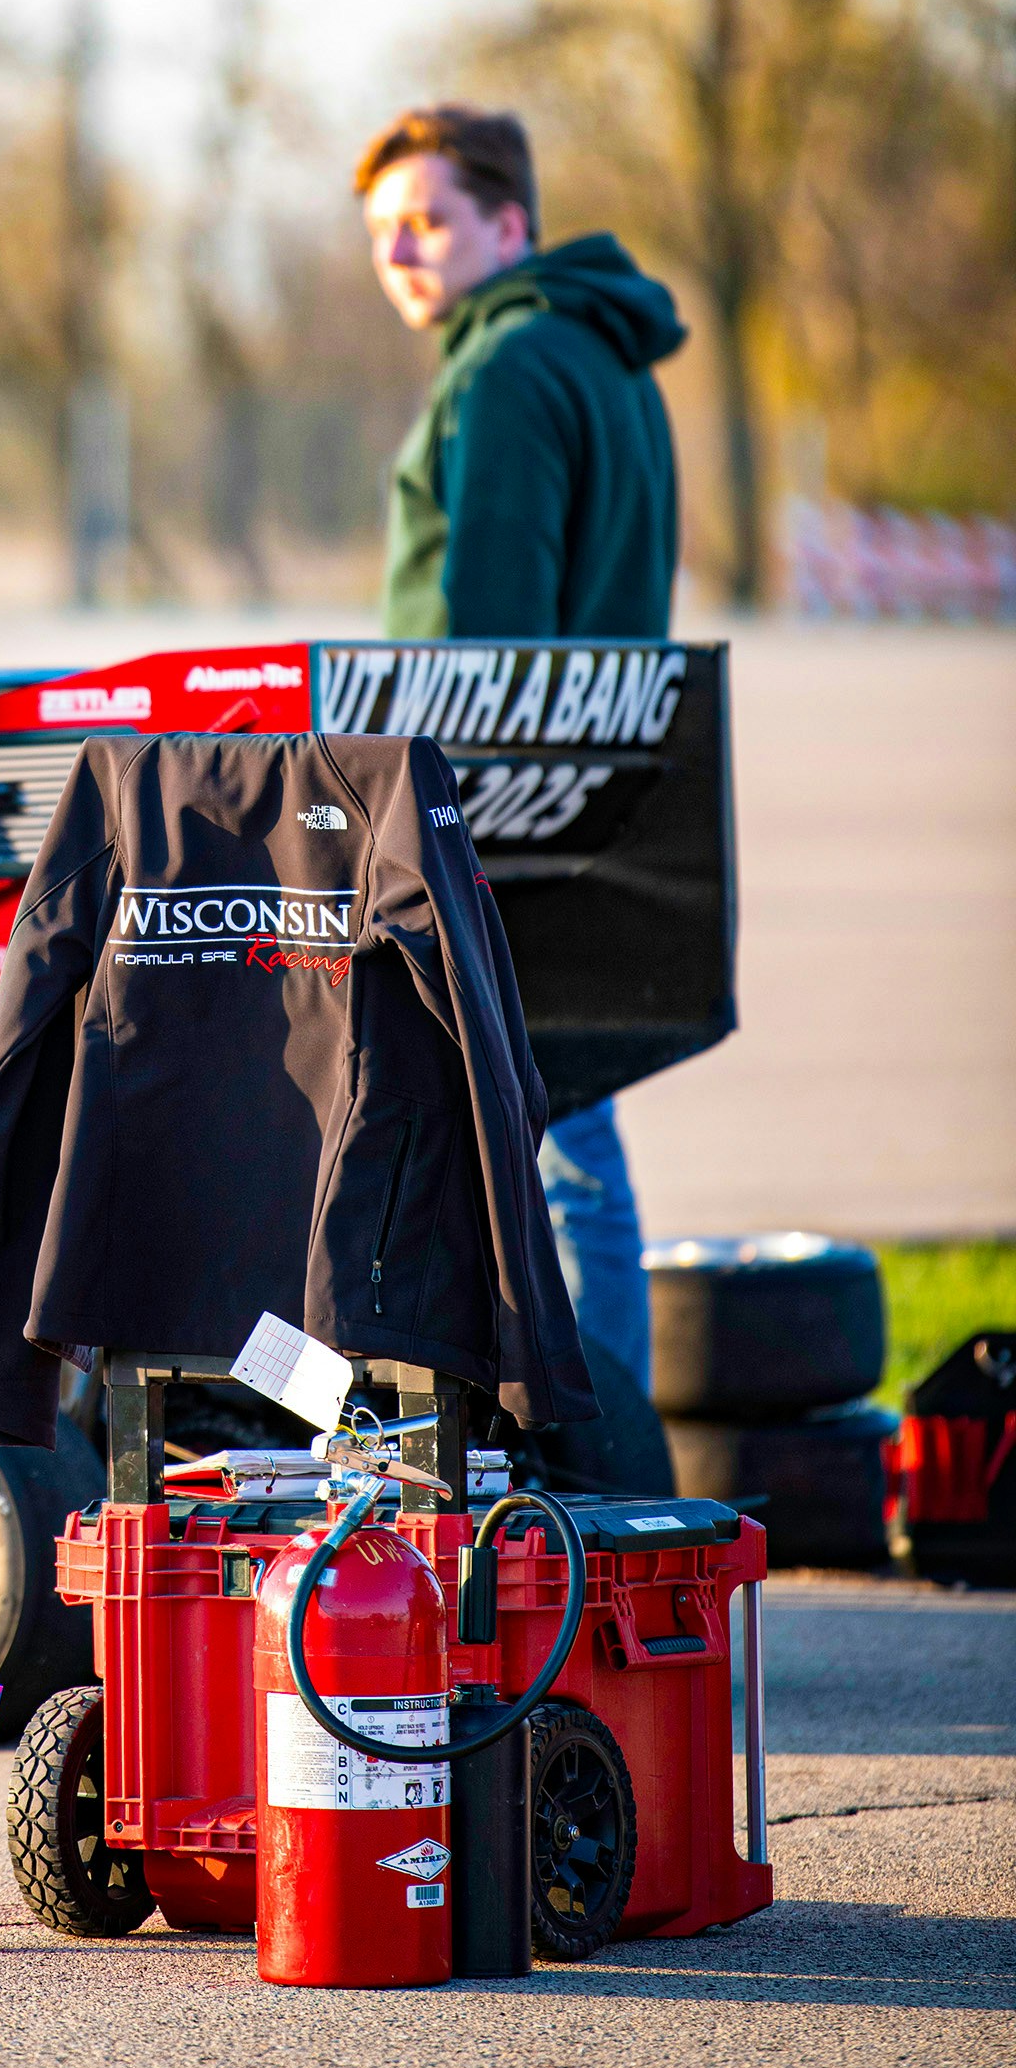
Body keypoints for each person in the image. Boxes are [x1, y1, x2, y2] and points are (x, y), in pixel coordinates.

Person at [355, 102, 686, 1390]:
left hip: (489, 809)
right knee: (565, 1138)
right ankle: (602, 1429)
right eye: (382, 232)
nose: (402, 253)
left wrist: (427, 827)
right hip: (585, 794)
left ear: (509, 221)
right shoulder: (603, 359)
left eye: (428, 220)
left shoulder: (503, 372)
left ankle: (584, 1441)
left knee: (548, 1152)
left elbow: (487, 649)